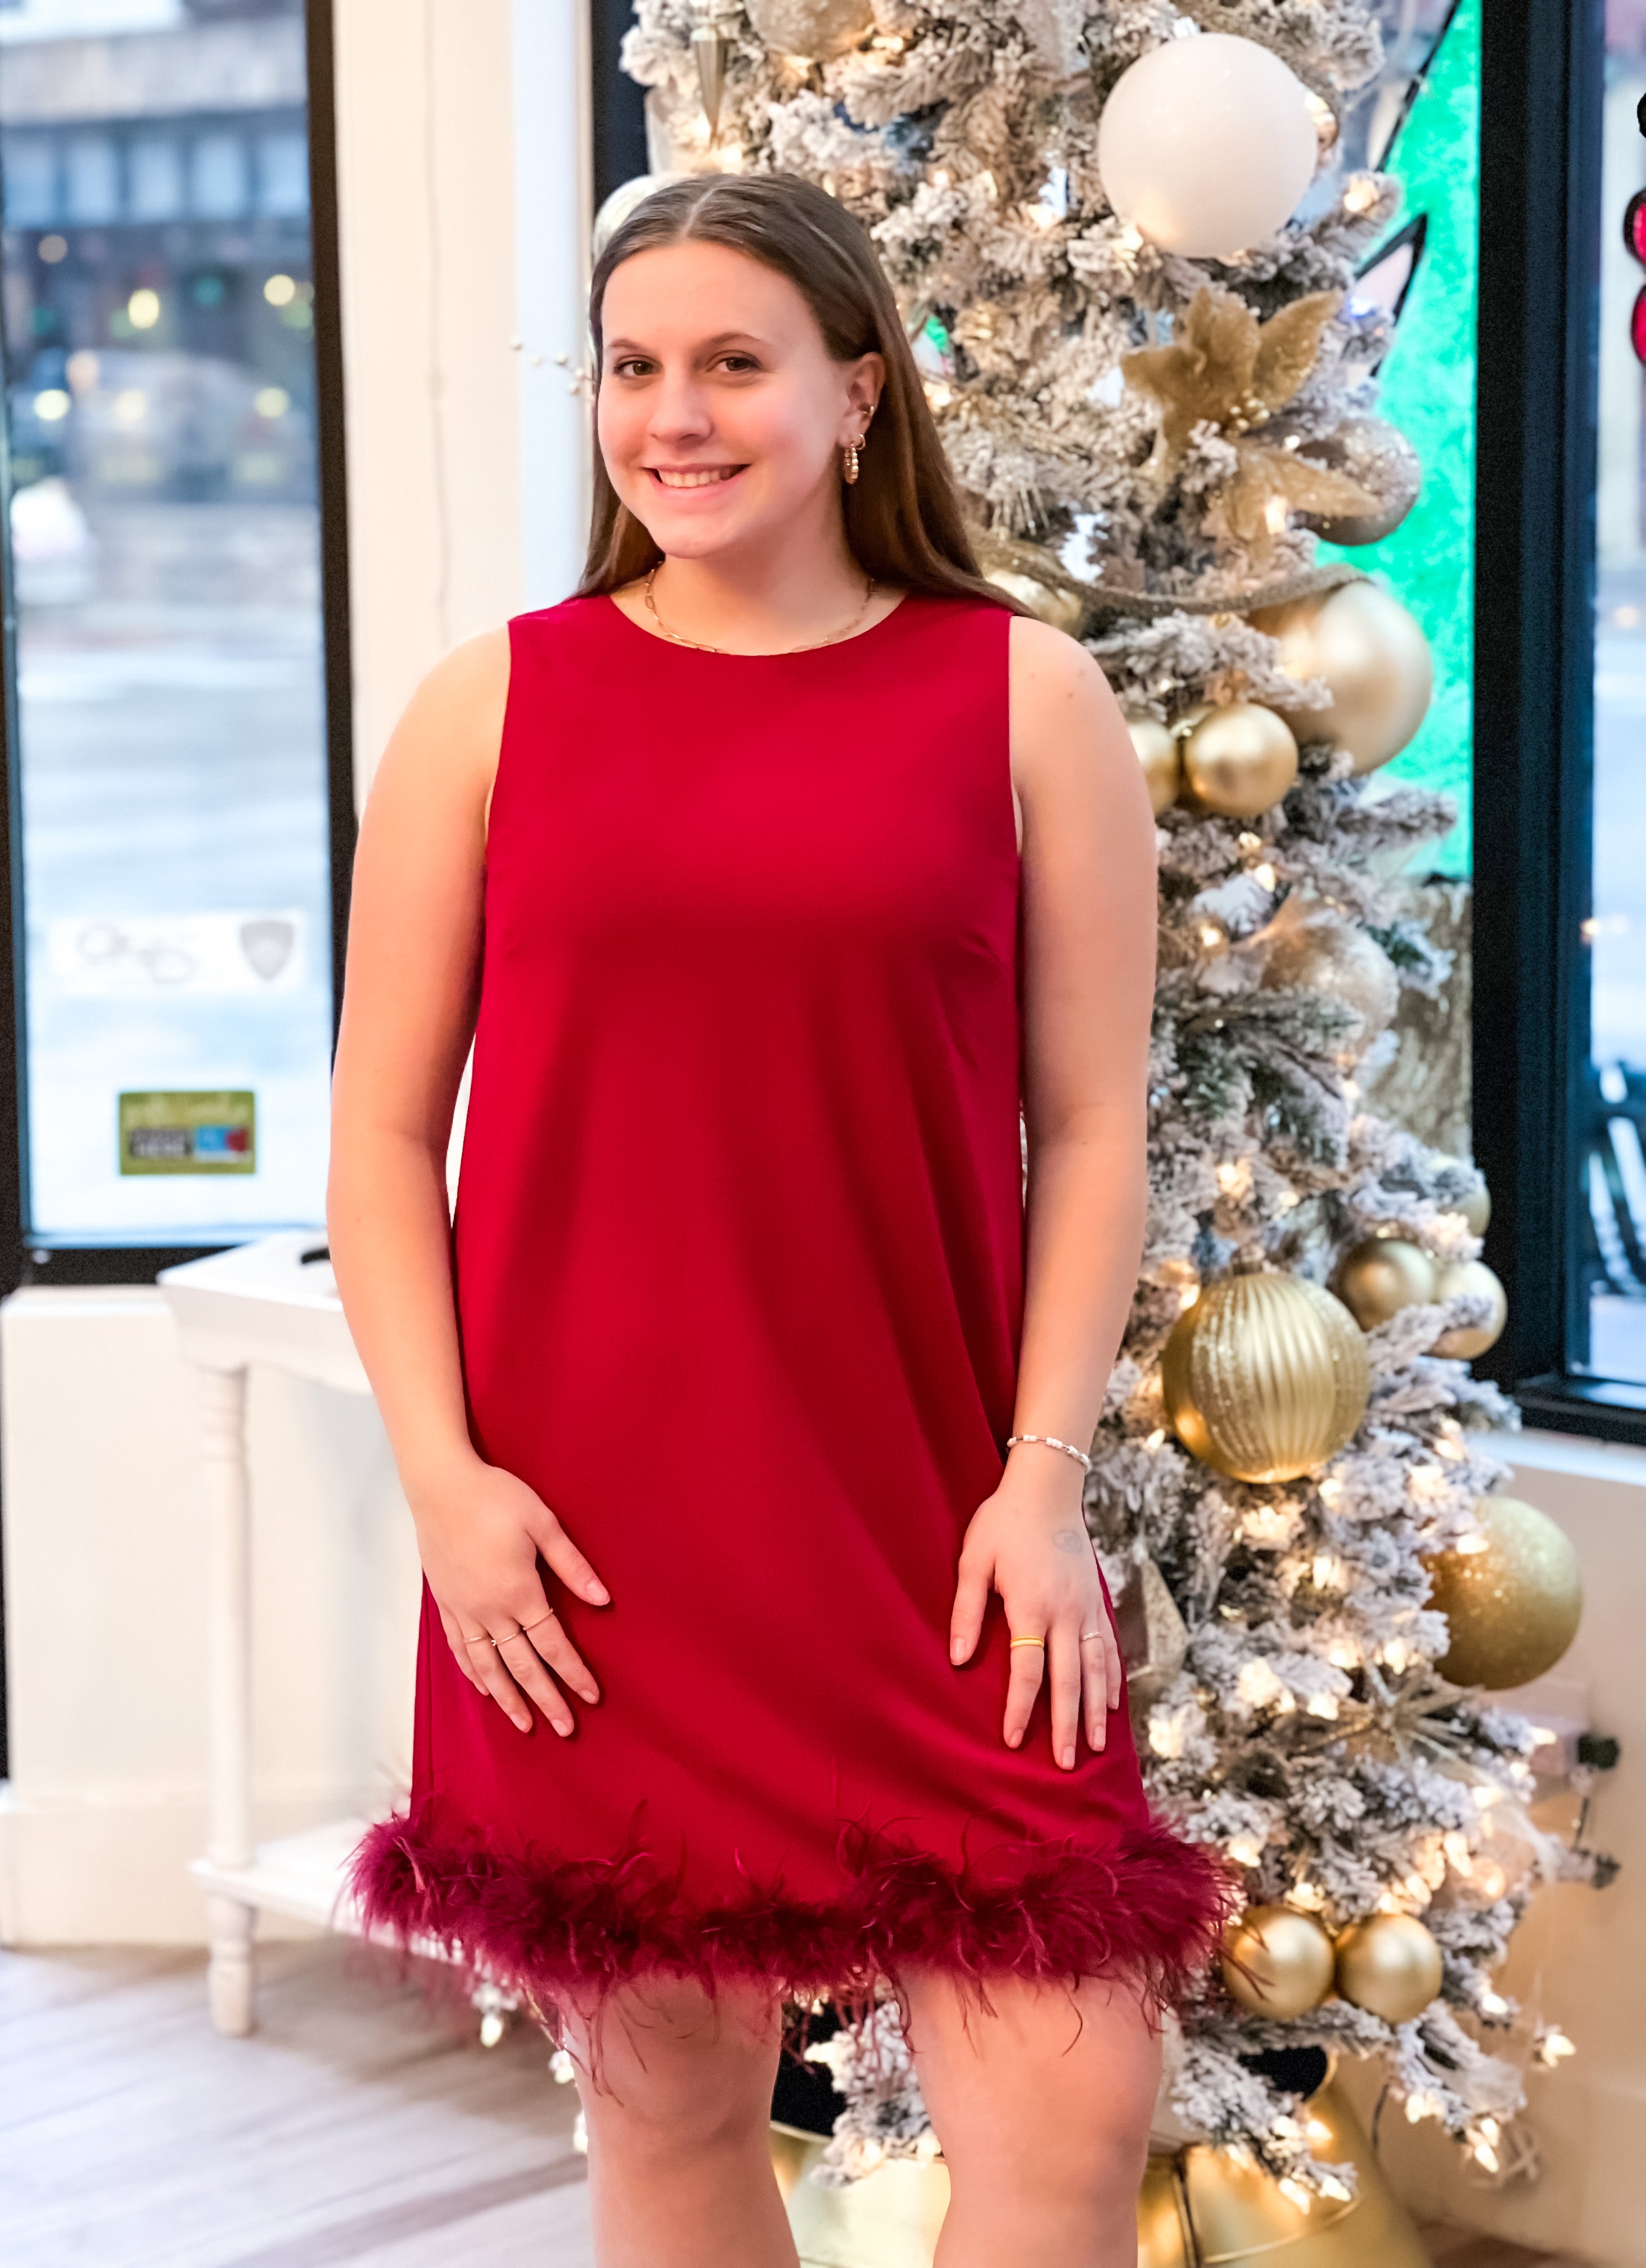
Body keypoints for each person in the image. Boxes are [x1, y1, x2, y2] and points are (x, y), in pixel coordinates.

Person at [328, 171, 1225, 2268]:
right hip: (589, 1546)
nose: (675, 416)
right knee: (668, 2117)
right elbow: (377, 1136)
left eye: (734, 363)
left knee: (1074, 2110)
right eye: (634, 367)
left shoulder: (1024, 698)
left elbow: (1096, 1129)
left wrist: (1044, 1482)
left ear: (859, 391)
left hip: (940, 1527)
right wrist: (448, 1488)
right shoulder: (491, 707)